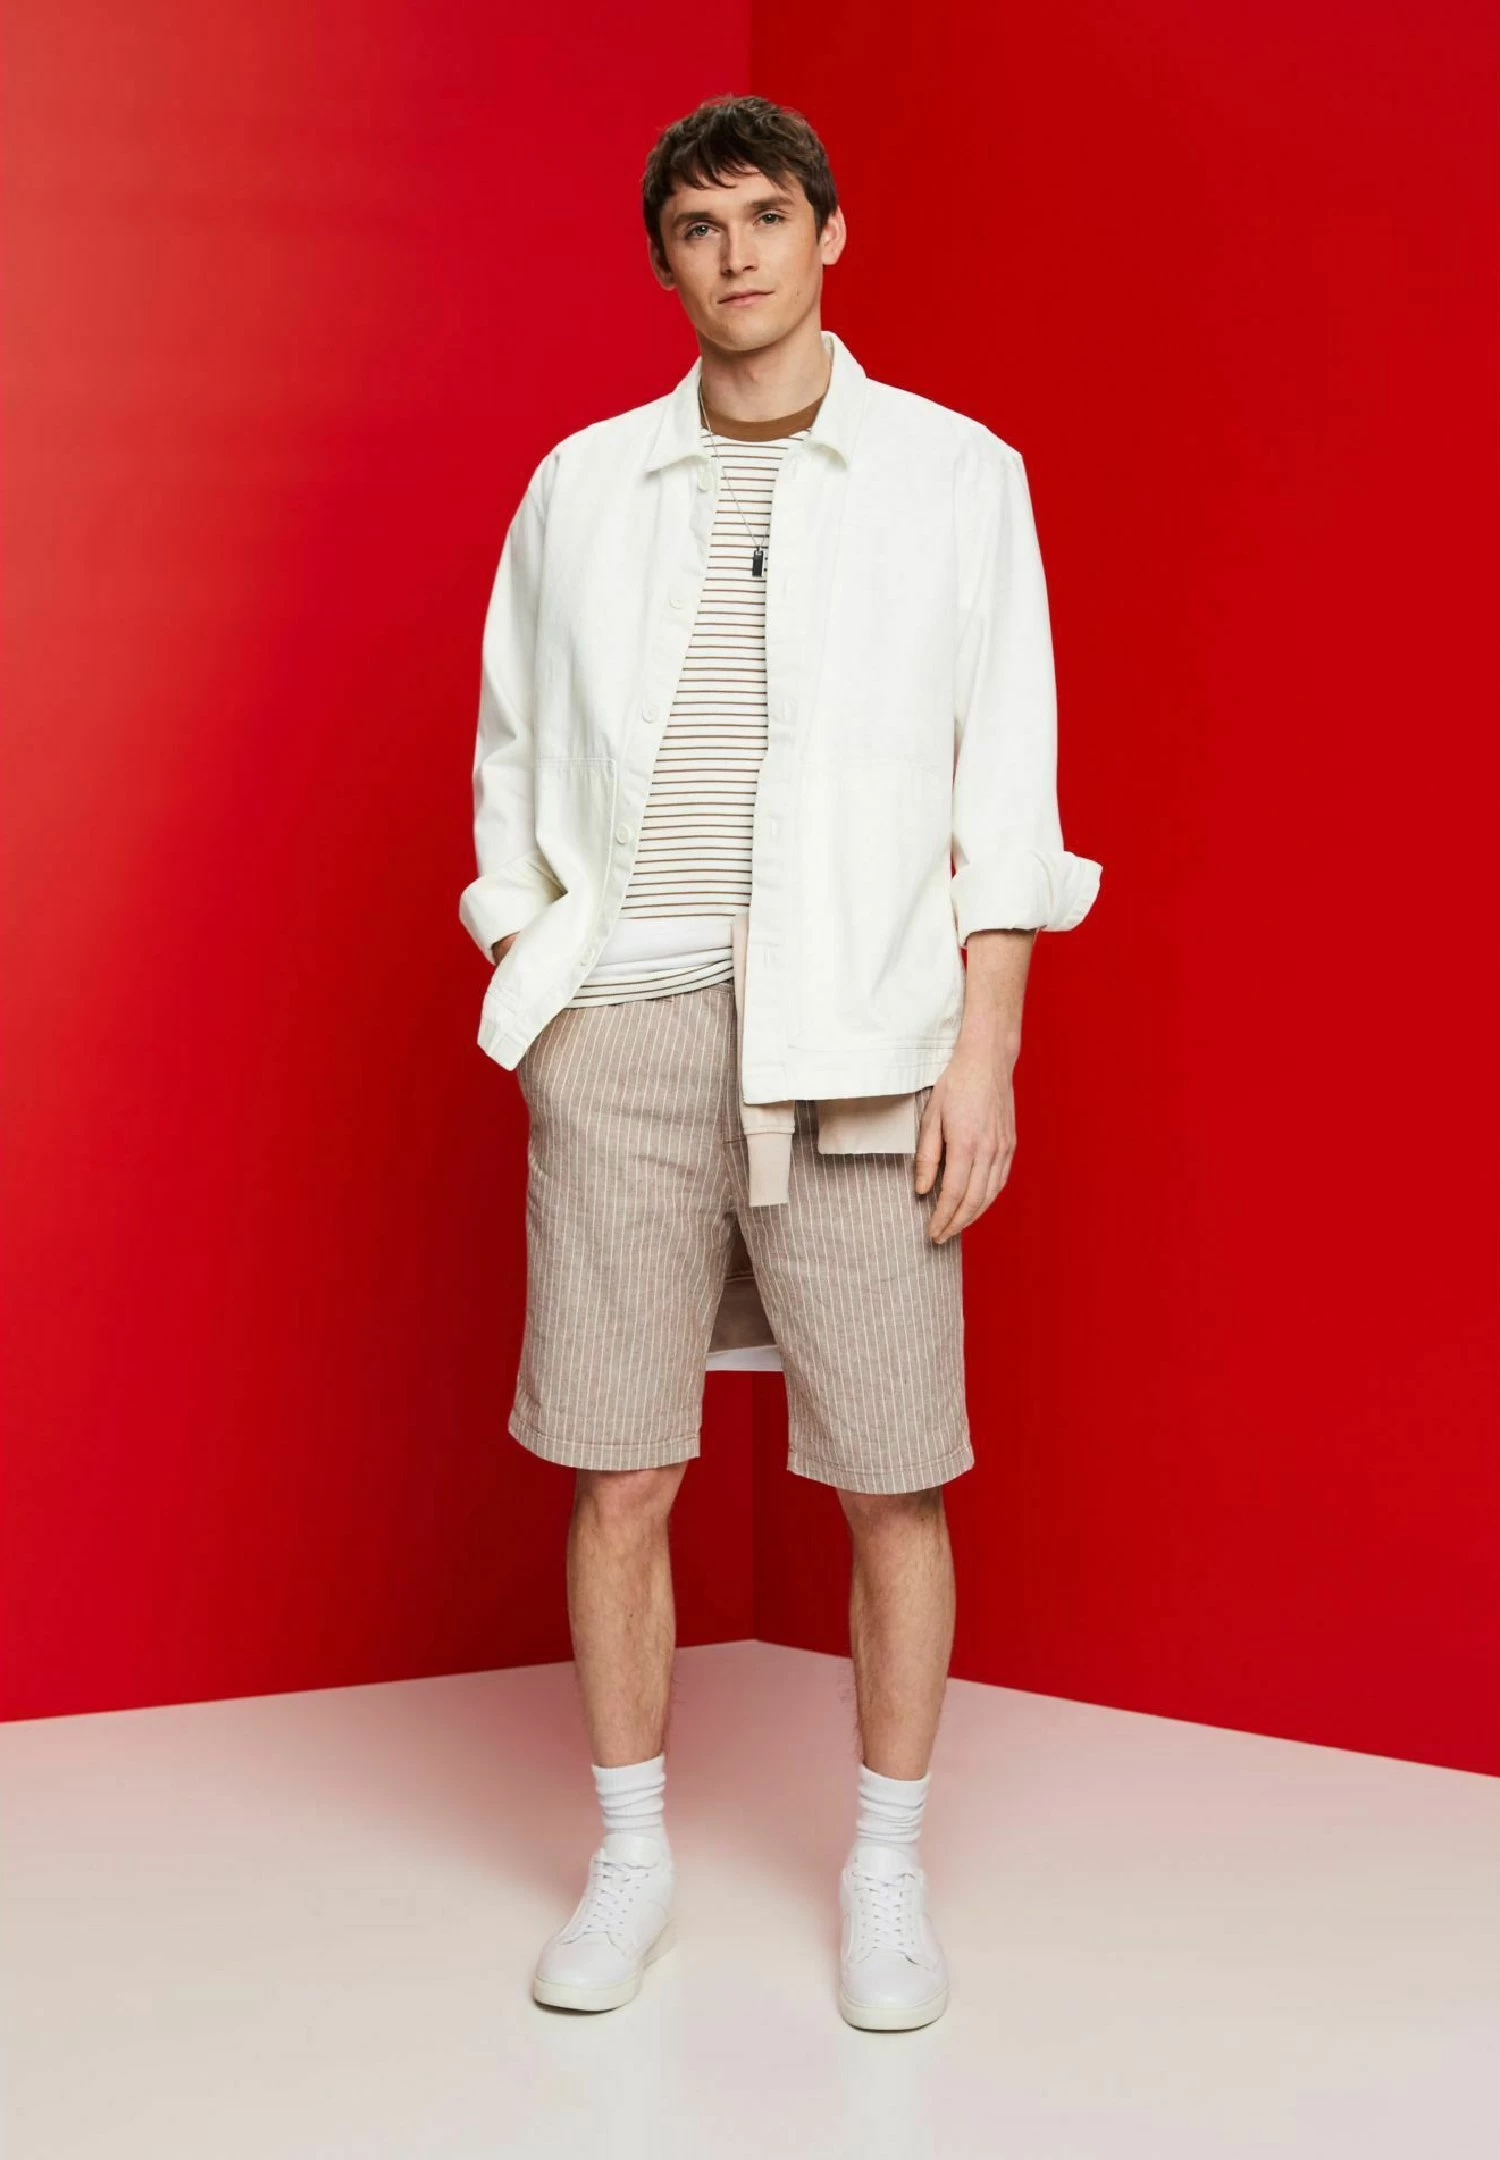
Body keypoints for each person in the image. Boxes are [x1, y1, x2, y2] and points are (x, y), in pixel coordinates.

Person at [459, 94, 1102, 2030]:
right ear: (664, 262)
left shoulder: (955, 477)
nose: (733, 254)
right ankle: (631, 1859)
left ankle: (886, 1870)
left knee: (894, 1472)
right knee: (622, 1470)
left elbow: (1009, 780)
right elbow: (509, 752)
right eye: (696, 227)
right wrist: (539, 973)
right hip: (628, 1026)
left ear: (831, 233)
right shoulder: (583, 485)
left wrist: (985, 1049)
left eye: (764, 216)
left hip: (862, 1034)